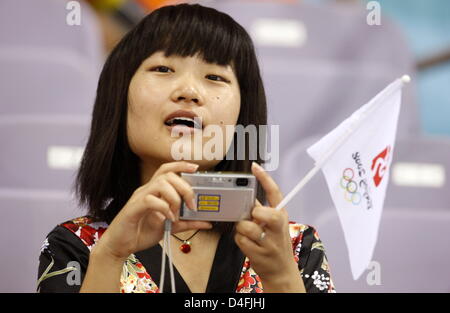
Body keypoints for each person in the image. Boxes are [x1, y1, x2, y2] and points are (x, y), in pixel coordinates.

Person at [37, 3, 335, 293]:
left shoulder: (295, 246)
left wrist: (281, 277)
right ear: (119, 98)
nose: (189, 92)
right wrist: (111, 255)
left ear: (242, 116)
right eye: (164, 69)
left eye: (215, 77)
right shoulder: (76, 244)